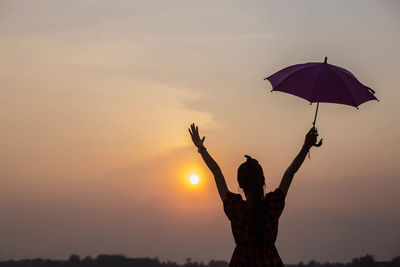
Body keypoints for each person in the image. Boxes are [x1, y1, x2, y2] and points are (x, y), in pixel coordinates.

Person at [188, 123, 322, 267]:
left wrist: (201, 148)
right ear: (263, 181)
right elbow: (290, 173)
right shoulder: (273, 206)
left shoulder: (236, 209)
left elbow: (217, 172)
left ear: (240, 184)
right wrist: (305, 147)